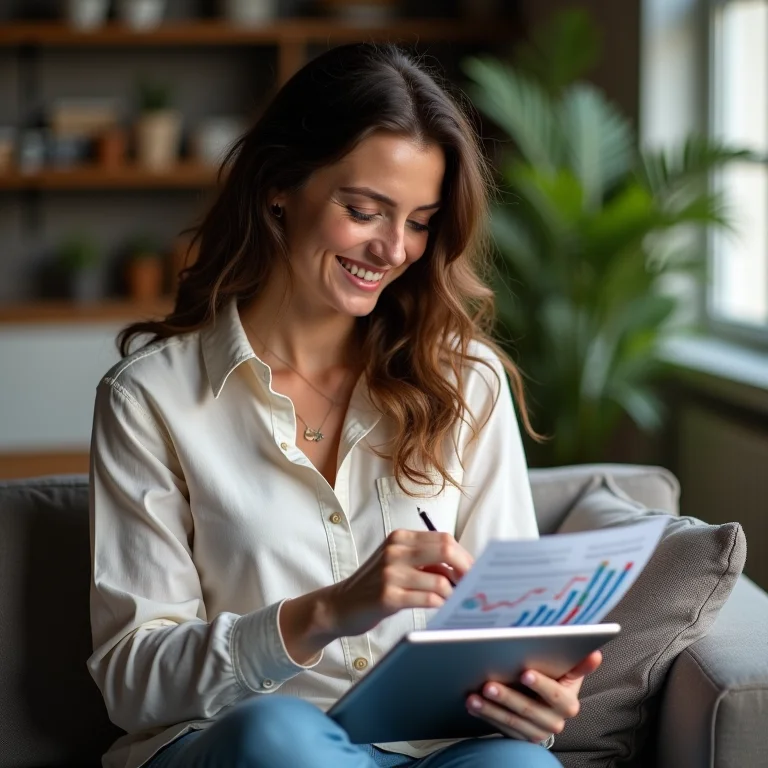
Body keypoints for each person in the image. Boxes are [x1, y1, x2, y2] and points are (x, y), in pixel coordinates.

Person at [87, 42, 602, 768]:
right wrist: (326, 612)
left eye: (420, 221)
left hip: (429, 747)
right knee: (282, 739)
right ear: (278, 189)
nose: (394, 249)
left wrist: (533, 699)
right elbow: (131, 679)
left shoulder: (467, 380)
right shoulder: (151, 398)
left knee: (520, 765)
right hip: (241, 743)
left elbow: (504, 626)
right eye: (365, 211)